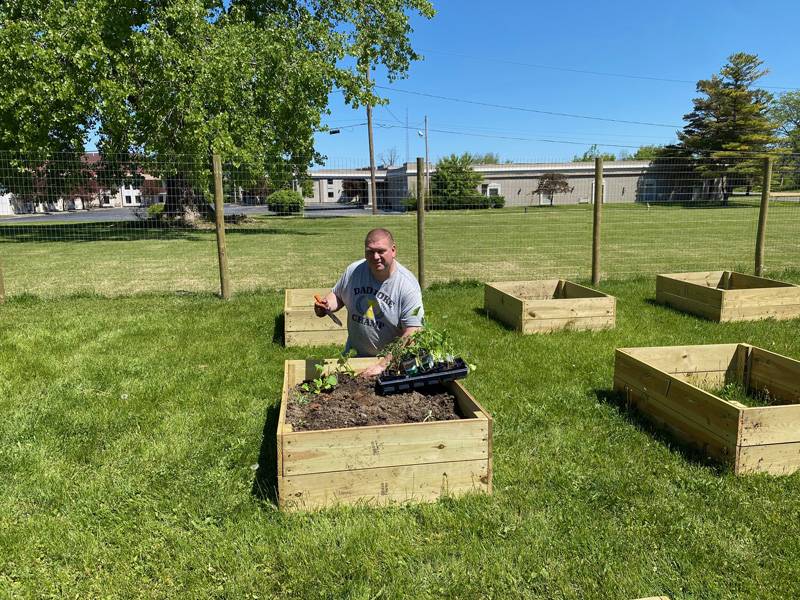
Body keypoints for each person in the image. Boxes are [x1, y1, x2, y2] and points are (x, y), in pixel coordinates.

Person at [314, 228, 424, 376]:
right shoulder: (354, 271)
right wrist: (327, 305)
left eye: (381, 251)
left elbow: (413, 333)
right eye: (370, 252)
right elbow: (338, 295)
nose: (375, 256)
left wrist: (382, 365)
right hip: (354, 357)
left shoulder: (406, 286)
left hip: (394, 364)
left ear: (393, 250)